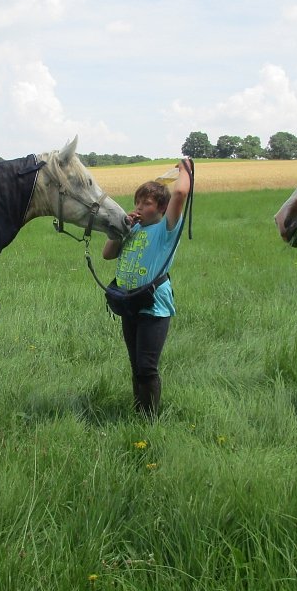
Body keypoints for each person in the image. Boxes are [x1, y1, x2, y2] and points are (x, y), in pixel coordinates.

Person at [102, 158, 192, 416]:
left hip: (154, 307)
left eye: (147, 203)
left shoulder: (167, 228)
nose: (139, 207)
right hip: (129, 303)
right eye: (137, 202)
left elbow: (180, 193)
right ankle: (138, 413)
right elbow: (107, 254)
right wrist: (121, 230)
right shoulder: (133, 229)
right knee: (136, 365)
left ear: (162, 207)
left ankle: (149, 420)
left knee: (146, 367)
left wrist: (185, 168)